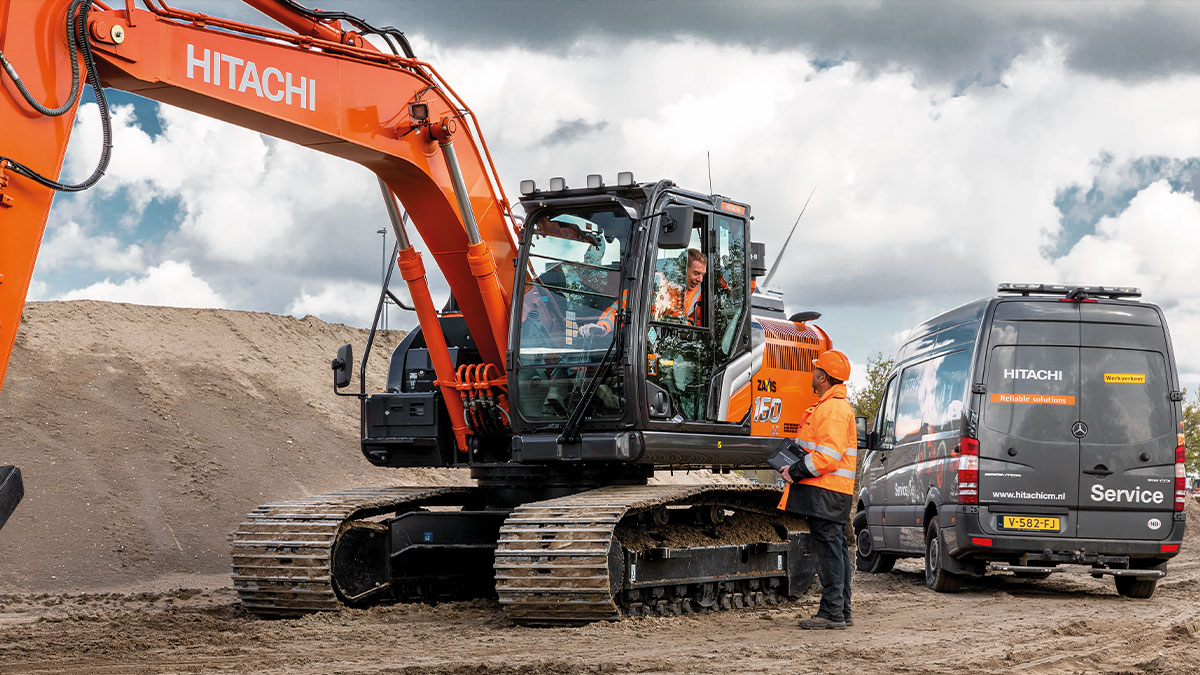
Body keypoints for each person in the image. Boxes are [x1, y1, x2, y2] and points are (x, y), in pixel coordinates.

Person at [776, 349, 857, 630]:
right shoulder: (831, 407)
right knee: (836, 549)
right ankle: (840, 610)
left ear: (822, 377)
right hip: (830, 491)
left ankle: (832, 612)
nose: (812, 373)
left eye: (815, 370)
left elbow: (828, 457)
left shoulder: (832, 409)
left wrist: (795, 470)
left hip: (826, 491)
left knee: (828, 551)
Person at [650, 248, 706, 325]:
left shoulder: (698, 293)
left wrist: (687, 323)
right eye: (696, 273)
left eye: (702, 275)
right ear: (682, 270)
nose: (700, 280)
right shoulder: (657, 283)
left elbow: (699, 321)